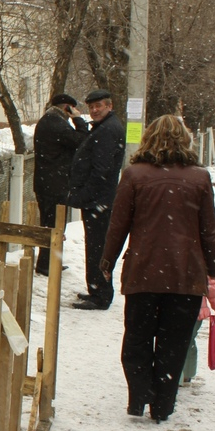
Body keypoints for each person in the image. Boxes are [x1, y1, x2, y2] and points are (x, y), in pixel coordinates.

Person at [100, 115, 215, 423]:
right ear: (186, 140)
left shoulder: (134, 175)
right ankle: (163, 405)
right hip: (185, 275)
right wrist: (214, 267)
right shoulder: (199, 178)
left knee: (137, 337)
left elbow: (118, 225)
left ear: (148, 139)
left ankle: (139, 396)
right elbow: (209, 229)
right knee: (174, 341)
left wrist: (106, 262)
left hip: (143, 271)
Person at [66, 89, 126, 309]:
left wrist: (82, 195)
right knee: (95, 246)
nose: (94, 110)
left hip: (99, 200)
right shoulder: (104, 127)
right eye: (91, 107)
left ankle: (101, 294)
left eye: (99, 106)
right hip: (98, 199)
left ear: (109, 106)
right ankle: (96, 289)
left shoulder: (108, 130)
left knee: (99, 248)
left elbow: (101, 170)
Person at [32, 93, 89, 275]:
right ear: (68, 108)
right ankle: (46, 264)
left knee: (53, 223)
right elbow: (81, 140)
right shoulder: (56, 123)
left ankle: (49, 262)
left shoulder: (48, 121)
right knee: (54, 224)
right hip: (53, 183)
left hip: (48, 181)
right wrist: (79, 121)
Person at [181, 277, 215, 385]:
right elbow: (212, 283)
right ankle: (187, 373)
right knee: (188, 341)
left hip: (174, 306)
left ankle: (176, 376)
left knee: (174, 343)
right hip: (195, 308)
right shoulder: (199, 260)